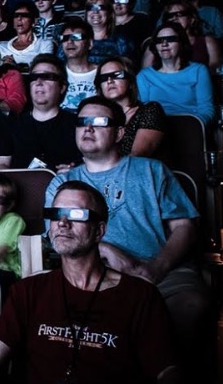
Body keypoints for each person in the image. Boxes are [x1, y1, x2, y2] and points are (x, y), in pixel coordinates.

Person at [46, 96, 213, 381]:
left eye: (98, 122)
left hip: (161, 271)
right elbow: (57, 237)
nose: (87, 129)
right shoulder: (61, 183)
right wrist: (106, 249)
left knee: (191, 306)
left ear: (120, 133)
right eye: (81, 122)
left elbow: (185, 227)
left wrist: (155, 268)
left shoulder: (151, 170)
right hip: (89, 275)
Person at [0, 180, 180, 384]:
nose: (62, 223)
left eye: (76, 214)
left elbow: (165, 369)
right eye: (56, 214)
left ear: (99, 231)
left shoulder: (139, 295)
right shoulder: (27, 291)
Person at [0, 54, 82, 171]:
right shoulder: (11, 125)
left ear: (62, 87)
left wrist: (75, 172)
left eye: (47, 76)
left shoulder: (78, 125)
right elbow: (0, 165)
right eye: (34, 77)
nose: (38, 82)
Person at [137, 22, 215, 125]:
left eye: (170, 39)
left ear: (181, 43)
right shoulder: (144, 76)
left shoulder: (198, 70)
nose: (164, 44)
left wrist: (191, 126)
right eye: (159, 41)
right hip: (156, 128)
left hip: (190, 127)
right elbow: (143, 110)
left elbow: (206, 110)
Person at [95, 56, 166, 158]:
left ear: (130, 81)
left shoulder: (150, 110)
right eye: (103, 78)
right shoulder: (96, 115)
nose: (109, 81)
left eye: (117, 75)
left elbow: (138, 156)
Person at [0, 1, 54, 70]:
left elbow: (45, 70)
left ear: (34, 21)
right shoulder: (1, 46)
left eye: (24, 15)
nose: (19, 19)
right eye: (16, 15)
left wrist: (15, 67)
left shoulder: (44, 44)